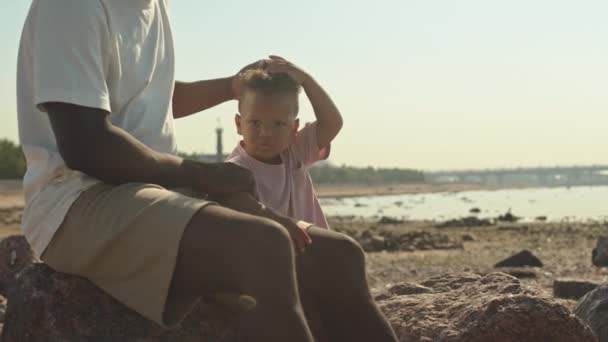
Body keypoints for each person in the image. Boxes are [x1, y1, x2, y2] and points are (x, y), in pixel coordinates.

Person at [16, 1, 398, 341]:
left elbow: (158, 99)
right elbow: (87, 144)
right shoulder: (69, 7)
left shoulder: (155, 6)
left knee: (339, 257)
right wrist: (201, 175)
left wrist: (234, 86)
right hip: (77, 201)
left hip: (154, 191)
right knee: (261, 247)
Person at [226, 56, 337, 231]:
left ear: (294, 128)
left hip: (315, 249)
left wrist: (306, 80)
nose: (265, 134)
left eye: (278, 124)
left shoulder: (295, 150)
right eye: (255, 123)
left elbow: (333, 123)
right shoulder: (235, 170)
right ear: (239, 124)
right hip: (274, 254)